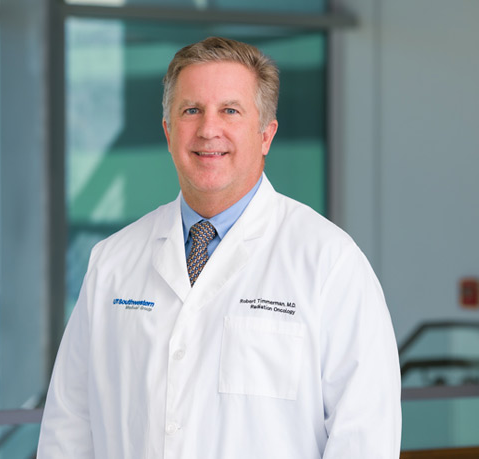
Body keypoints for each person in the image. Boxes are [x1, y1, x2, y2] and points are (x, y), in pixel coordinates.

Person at [37, 36, 401, 458]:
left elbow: (365, 436)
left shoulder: (330, 262)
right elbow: (69, 424)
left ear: (266, 135)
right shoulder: (113, 261)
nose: (209, 129)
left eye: (230, 110)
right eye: (191, 110)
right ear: (169, 132)